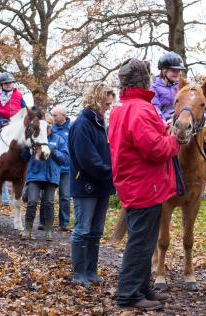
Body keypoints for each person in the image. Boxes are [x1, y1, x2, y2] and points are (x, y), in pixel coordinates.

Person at [109, 58, 180, 312]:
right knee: (140, 243)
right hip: (144, 185)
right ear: (143, 80)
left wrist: (165, 131)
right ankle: (128, 295)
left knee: (146, 241)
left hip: (136, 183)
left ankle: (142, 289)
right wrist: (175, 141)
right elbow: (154, 148)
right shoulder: (140, 108)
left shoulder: (123, 108)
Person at [68, 83, 116, 287]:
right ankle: (78, 272)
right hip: (86, 186)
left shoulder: (100, 124)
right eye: (106, 103)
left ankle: (91, 270)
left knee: (96, 230)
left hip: (102, 186)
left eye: (109, 103)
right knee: (82, 229)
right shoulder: (82, 125)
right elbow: (88, 160)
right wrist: (113, 173)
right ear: (96, 100)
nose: (108, 107)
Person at [21, 113, 69, 241]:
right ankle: (27, 230)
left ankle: (48, 232)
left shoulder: (58, 139)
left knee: (49, 203)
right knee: (31, 202)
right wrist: (28, 149)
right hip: (35, 174)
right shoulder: (33, 138)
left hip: (51, 175)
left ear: (51, 125)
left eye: (49, 123)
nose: (47, 126)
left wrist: (52, 151)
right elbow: (23, 158)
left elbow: (64, 159)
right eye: (44, 123)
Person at [47, 106, 71, 231]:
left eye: (55, 115)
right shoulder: (50, 127)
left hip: (67, 169)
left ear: (63, 116)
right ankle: (44, 222)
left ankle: (64, 223)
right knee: (47, 196)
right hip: (52, 167)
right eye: (52, 115)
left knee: (65, 196)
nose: (53, 117)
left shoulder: (71, 129)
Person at [150, 51, 186, 124]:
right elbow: (155, 108)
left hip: (182, 120)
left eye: (179, 71)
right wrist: (164, 122)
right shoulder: (154, 87)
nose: (177, 73)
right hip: (165, 122)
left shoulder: (183, 86)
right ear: (164, 71)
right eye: (173, 70)